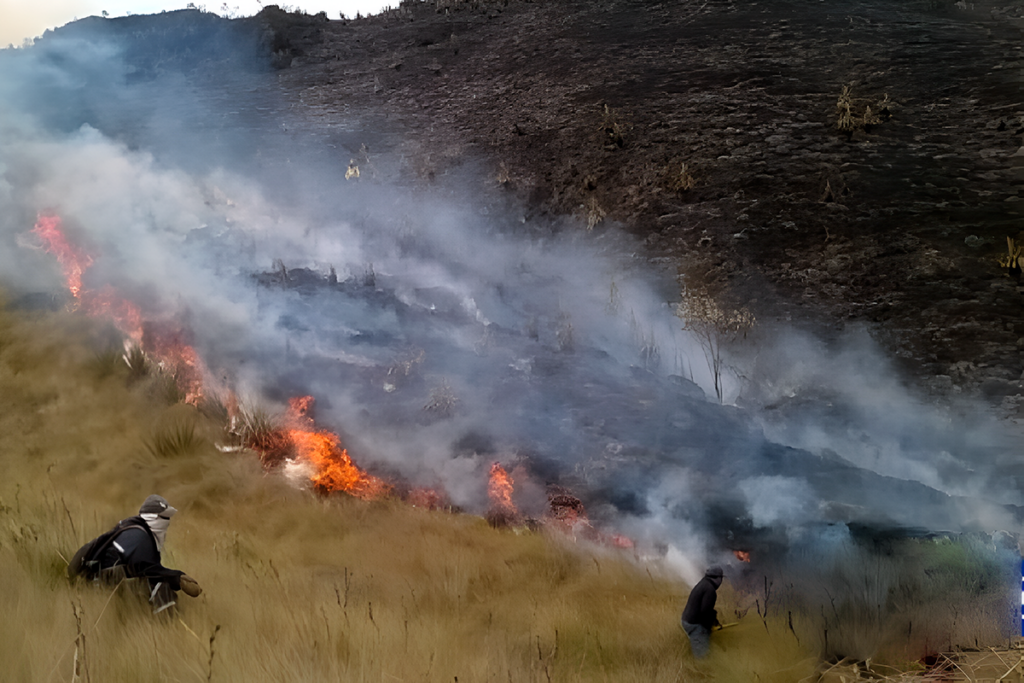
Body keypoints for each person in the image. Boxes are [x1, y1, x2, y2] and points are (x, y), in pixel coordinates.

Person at [68, 494, 201, 613]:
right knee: (161, 587)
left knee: (152, 583)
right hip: (100, 584)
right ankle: (168, 627)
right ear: (152, 517)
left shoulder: (132, 530)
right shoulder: (139, 536)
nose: (167, 522)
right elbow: (144, 568)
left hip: (96, 582)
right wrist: (176, 578)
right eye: (164, 517)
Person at [681, 565, 724, 658]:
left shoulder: (703, 583)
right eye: (721, 578)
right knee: (702, 656)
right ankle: (700, 670)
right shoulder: (710, 590)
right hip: (695, 624)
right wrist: (709, 627)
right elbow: (705, 612)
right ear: (718, 578)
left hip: (686, 620)